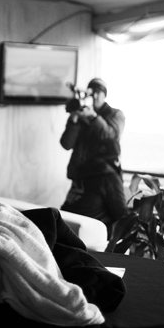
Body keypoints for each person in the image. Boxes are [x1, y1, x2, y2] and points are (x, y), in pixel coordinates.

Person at [59, 77, 128, 232]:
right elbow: (66, 144)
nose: (95, 96)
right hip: (82, 177)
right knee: (72, 216)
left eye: (98, 93)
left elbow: (112, 136)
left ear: (105, 95)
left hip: (104, 177)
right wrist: (74, 121)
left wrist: (94, 117)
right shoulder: (82, 113)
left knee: (110, 216)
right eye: (92, 92)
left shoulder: (116, 115)